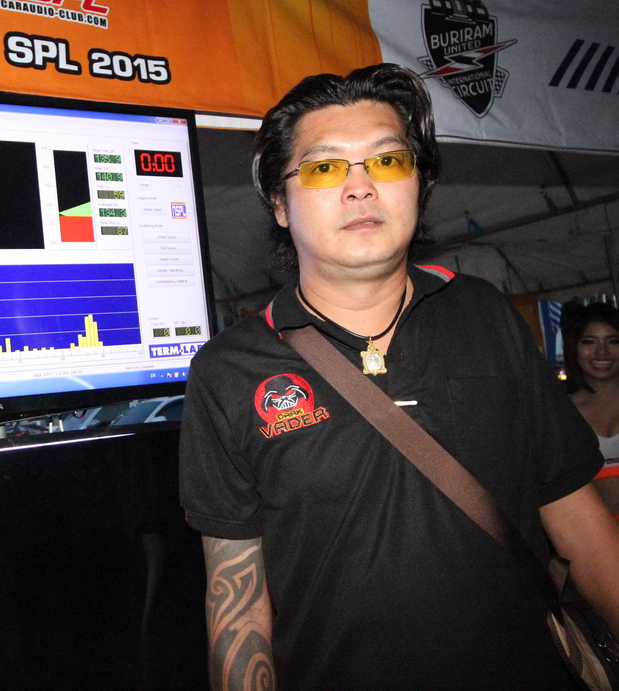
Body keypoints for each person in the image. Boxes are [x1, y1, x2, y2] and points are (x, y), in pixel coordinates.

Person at [179, 63, 619, 689]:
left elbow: (575, 514)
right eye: (324, 168)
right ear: (279, 203)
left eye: (387, 161)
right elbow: (237, 603)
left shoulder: (484, 315)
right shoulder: (228, 371)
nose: (360, 187)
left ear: (419, 183)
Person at [564, 301, 619, 519]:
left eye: (613, 341)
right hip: (595, 535)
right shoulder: (563, 414)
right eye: (589, 341)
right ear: (574, 347)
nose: (602, 352)